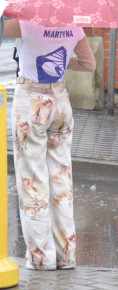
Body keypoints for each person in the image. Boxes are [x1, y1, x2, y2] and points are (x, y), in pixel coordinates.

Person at [6, 18, 95, 270]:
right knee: (61, 177)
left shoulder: (24, 23)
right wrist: (60, 61)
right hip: (60, 103)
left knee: (32, 179)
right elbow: (89, 64)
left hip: (32, 103)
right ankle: (66, 256)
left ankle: (41, 258)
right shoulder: (74, 26)